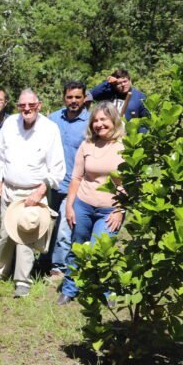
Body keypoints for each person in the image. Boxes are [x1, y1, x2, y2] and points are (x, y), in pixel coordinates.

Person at [0, 90, 66, 297]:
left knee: (26, 236)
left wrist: (40, 192)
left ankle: (22, 281)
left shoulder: (50, 129)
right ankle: (0, 271)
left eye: (31, 105)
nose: (27, 109)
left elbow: (57, 169)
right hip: (8, 189)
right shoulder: (10, 124)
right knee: (4, 235)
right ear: (18, 107)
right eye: (22, 106)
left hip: (34, 192)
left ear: (39, 104)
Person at [59, 103, 126, 305]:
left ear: (113, 120)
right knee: (77, 247)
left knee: (101, 250)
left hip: (109, 210)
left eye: (103, 119)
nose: (99, 124)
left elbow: (128, 184)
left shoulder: (124, 147)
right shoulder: (87, 145)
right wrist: (70, 206)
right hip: (83, 205)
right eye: (95, 120)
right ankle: (70, 288)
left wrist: (119, 210)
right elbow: (76, 178)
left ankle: (106, 292)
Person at [43, 81, 89, 279]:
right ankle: (44, 260)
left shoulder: (90, 123)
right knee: (46, 225)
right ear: (64, 98)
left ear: (84, 98)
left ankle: (58, 268)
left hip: (74, 185)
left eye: (78, 97)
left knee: (64, 227)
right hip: (51, 183)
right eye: (70, 97)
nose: (73, 101)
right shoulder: (53, 119)